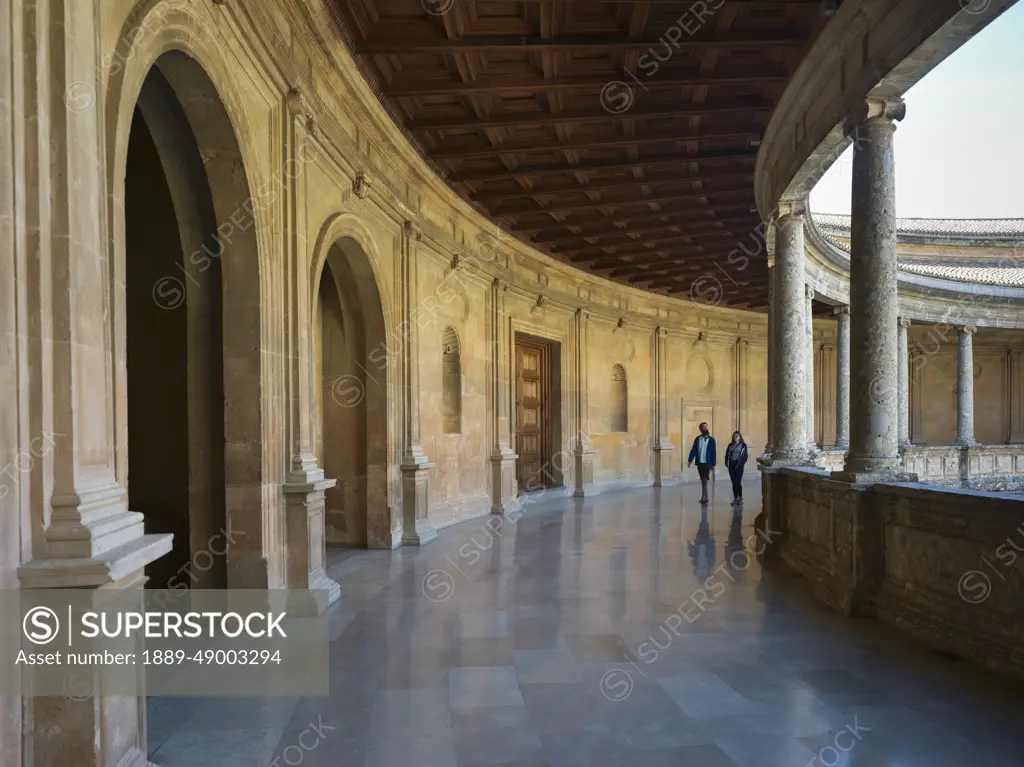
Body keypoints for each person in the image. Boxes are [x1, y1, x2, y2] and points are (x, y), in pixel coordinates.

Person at [686, 422, 716, 504]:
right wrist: (690, 460)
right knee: (703, 479)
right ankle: (706, 496)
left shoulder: (712, 440)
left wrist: (714, 464)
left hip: (707, 463)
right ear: (700, 429)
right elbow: (694, 450)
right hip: (700, 463)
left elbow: (714, 452)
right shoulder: (697, 439)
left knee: (704, 479)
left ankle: (703, 496)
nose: (705, 428)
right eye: (703, 427)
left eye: (706, 426)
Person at [724, 431, 748, 506]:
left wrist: (741, 463)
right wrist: (726, 462)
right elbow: (727, 454)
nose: (735, 437)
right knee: (734, 482)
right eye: (734, 436)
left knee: (738, 481)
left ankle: (740, 498)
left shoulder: (743, 445)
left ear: (740, 437)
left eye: (737, 436)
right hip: (731, 465)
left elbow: (745, 456)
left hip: (739, 466)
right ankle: (735, 498)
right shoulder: (730, 445)